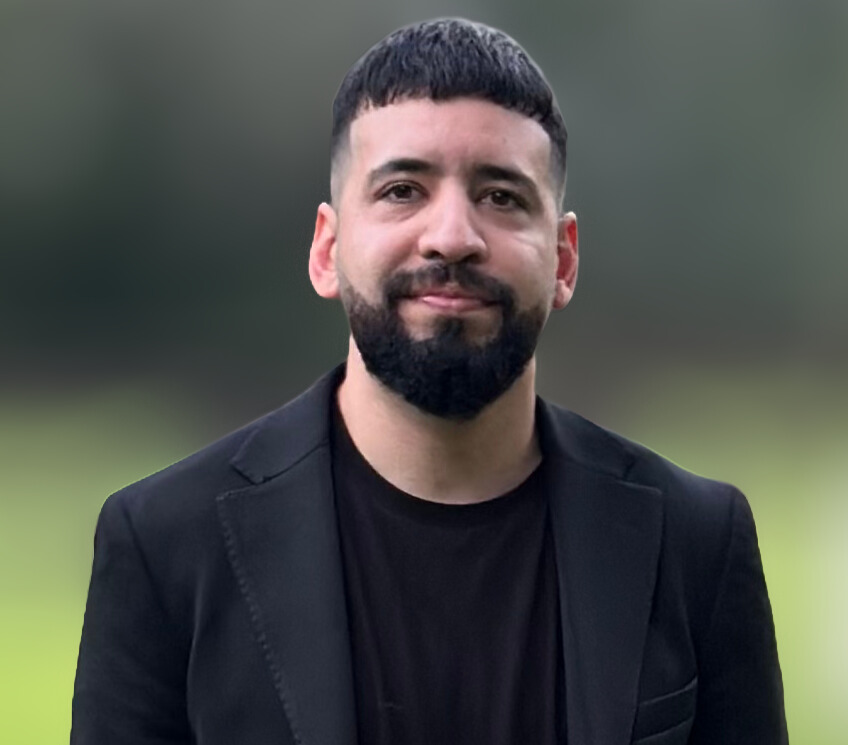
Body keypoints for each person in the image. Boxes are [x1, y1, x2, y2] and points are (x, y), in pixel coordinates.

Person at [71, 18, 787, 745]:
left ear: (564, 260)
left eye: (501, 197)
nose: (451, 237)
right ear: (327, 249)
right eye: (403, 190)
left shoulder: (695, 543)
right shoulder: (164, 545)